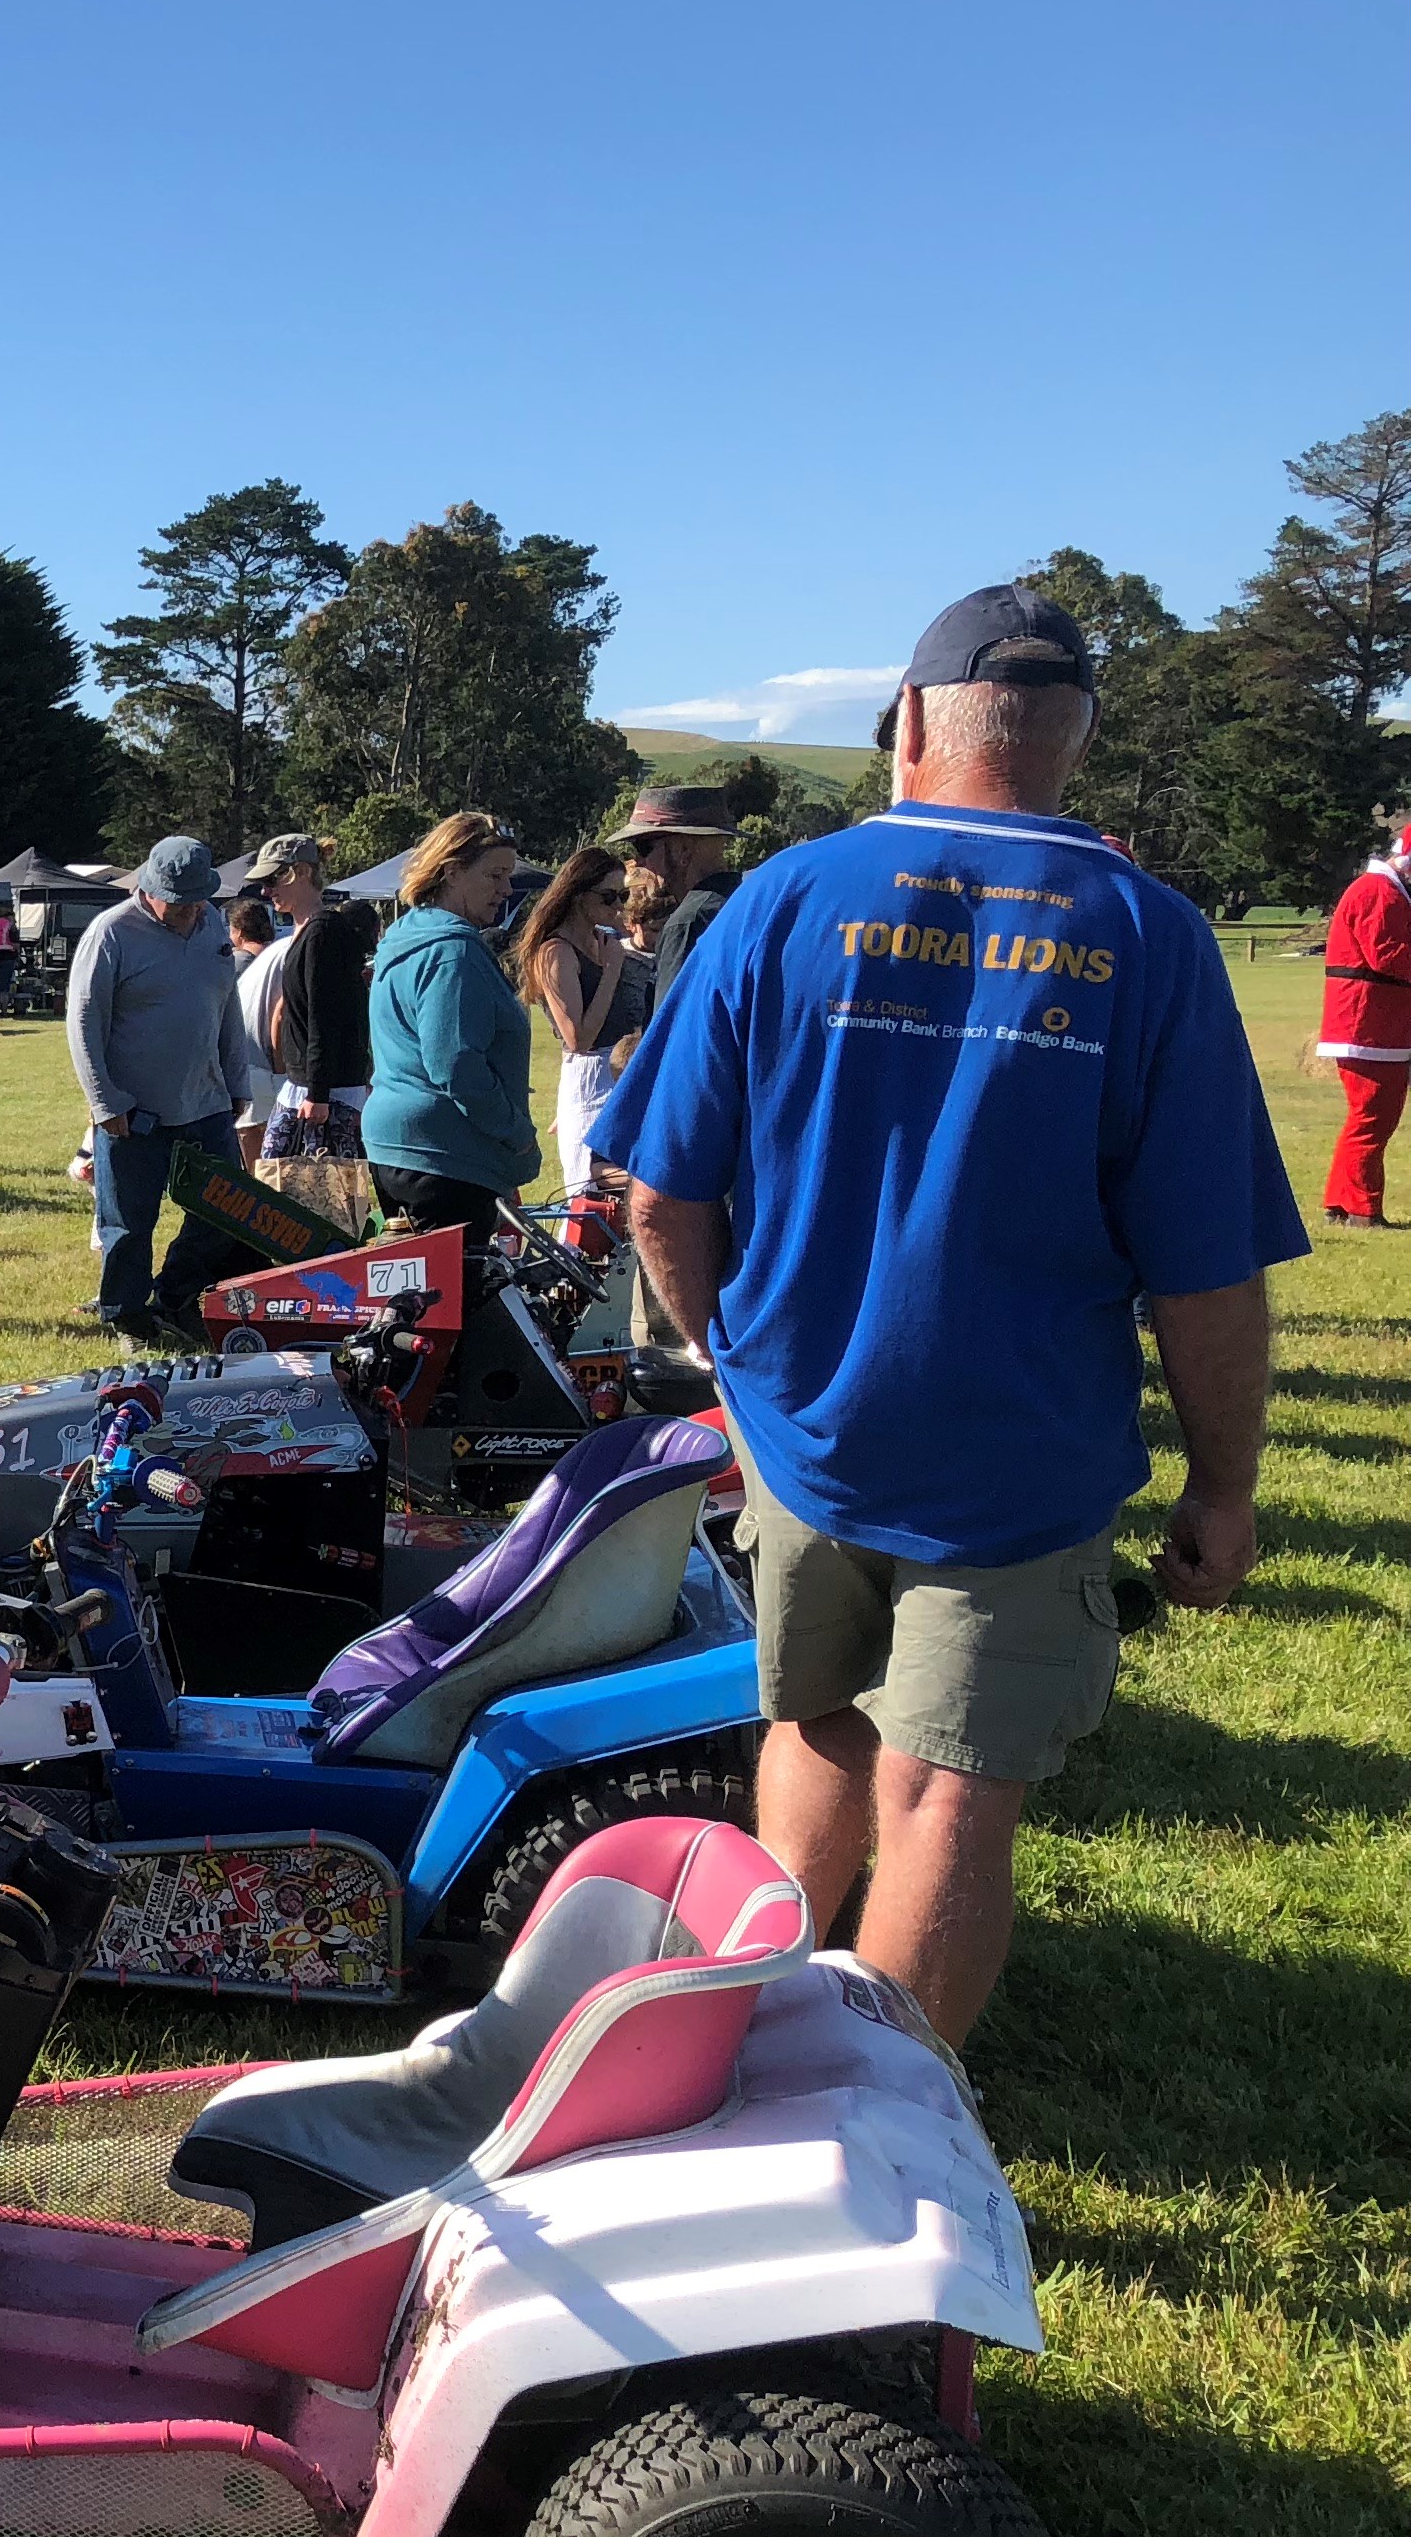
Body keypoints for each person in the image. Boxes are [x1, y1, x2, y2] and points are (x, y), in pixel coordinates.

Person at [597, 580, 1308, 2044]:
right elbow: (1204, 1266)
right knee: (947, 1793)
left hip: (804, 1433)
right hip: (1022, 1458)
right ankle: (880, 2134)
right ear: (1076, 738)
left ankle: (733, 2043)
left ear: (911, 721)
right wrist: (1225, 1484)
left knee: (813, 1720)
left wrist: (732, 1367)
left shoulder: (781, 901)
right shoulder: (1151, 933)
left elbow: (658, 1199)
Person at [62, 836, 254, 1338]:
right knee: (128, 1223)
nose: (190, 911)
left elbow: (225, 1005)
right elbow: (83, 1022)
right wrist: (105, 1101)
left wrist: (237, 1079)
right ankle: (127, 1316)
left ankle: (175, 1297)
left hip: (207, 1100)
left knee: (222, 1209)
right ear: (149, 889)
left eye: (197, 899)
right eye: (179, 901)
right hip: (134, 1109)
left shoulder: (213, 923)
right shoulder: (110, 933)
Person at [362, 813, 540, 1245]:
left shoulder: (406, 936)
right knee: (454, 1301)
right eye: (495, 875)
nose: (506, 889)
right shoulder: (453, 953)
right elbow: (456, 1064)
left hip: (402, 1146)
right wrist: (516, 1134)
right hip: (444, 1158)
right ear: (451, 871)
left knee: (419, 1302)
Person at [516, 844, 648, 1195]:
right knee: (587, 1189)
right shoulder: (556, 951)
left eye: (623, 895)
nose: (619, 905)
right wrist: (611, 970)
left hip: (622, 1069)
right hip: (590, 1076)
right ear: (577, 896)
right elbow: (577, 1039)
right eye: (609, 896)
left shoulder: (602, 941)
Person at [1316, 824, 1409, 1224]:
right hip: (1368, 1026)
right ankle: (1362, 1210)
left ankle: (1341, 1203)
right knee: (1373, 1119)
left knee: (1366, 1118)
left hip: (1373, 1026)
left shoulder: (1386, 891)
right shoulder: (1378, 892)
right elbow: (1388, 955)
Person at [272, 849, 378, 1153]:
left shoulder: (323, 932)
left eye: (274, 879)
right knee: (277, 1184)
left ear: (302, 873)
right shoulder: (305, 930)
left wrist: (317, 1094)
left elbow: (325, 1016)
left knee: (328, 1191)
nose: (267, 890)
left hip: (328, 1094)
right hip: (304, 1086)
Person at [617, 784, 740, 991]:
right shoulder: (748, 901)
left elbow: (673, 1022)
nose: (637, 862)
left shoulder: (688, 924)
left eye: (643, 847)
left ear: (682, 850)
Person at [222, 897, 286, 1165]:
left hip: (249, 1062)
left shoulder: (232, 965)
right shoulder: (282, 956)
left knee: (251, 1148)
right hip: (281, 1065)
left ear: (237, 930)